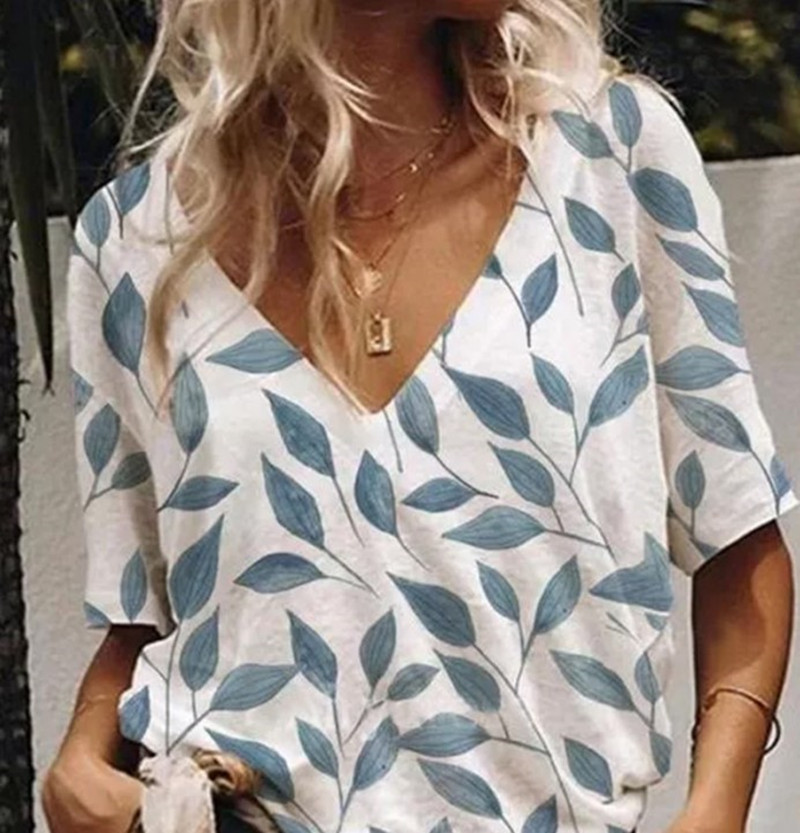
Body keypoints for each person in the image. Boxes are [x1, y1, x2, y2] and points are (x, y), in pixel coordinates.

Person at [42, 2, 798, 832]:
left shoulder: (610, 156)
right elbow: (143, 612)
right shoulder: (132, 243)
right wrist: (80, 769)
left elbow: (738, 536)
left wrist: (714, 810)